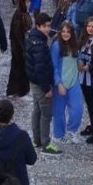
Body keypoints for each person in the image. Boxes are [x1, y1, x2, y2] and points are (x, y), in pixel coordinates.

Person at [24, 13, 60, 155]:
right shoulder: (39, 43)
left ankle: (37, 140)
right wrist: (47, 88)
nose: (47, 29)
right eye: (44, 26)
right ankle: (46, 143)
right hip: (41, 84)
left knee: (37, 110)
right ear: (38, 26)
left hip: (34, 82)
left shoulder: (34, 39)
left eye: (49, 25)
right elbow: (40, 68)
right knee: (46, 114)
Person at [50, 22, 83, 145]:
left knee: (77, 108)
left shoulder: (74, 44)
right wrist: (58, 83)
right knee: (58, 111)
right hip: (61, 83)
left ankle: (72, 130)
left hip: (74, 81)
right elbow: (53, 67)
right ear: (59, 32)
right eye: (63, 31)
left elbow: (77, 56)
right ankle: (58, 134)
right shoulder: (56, 46)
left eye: (68, 32)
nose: (65, 34)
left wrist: (79, 61)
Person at [6, 0, 32, 98]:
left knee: (19, 67)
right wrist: (24, 48)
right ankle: (18, 89)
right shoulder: (19, 16)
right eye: (28, 1)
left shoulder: (22, 14)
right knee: (18, 68)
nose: (29, 3)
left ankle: (18, 89)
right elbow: (18, 34)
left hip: (20, 47)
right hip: (19, 48)